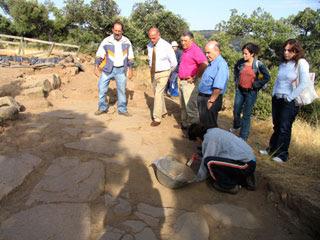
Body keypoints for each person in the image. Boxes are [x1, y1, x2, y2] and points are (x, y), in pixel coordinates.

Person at [260, 39, 309, 163]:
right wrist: (273, 94)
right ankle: (272, 149)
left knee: (284, 127)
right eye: (285, 50)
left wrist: (290, 97)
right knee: (277, 125)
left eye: (289, 50)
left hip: (290, 101)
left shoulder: (301, 63)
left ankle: (282, 155)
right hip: (277, 98)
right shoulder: (283, 64)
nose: (286, 52)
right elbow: (278, 81)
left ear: (296, 51)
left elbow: (304, 83)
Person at [188, 123, 256, 194]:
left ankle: (229, 186)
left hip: (246, 165)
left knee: (209, 162)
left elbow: (208, 159)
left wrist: (198, 178)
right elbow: (216, 154)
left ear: (197, 138)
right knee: (210, 161)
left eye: (194, 141)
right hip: (248, 160)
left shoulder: (210, 140)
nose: (196, 143)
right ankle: (244, 179)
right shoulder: (212, 131)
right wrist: (201, 157)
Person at [230, 43, 270, 141]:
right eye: (243, 53)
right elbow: (235, 69)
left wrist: (256, 84)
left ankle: (243, 137)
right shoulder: (240, 62)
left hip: (251, 92)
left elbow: (267, 77)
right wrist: (236, 80)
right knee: (236, 110)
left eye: (246, 54)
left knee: (246, 115)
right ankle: (237, 126)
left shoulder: (258, 64)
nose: (244, 55)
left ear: (252, 54)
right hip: (240, 90)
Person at [94, 21, 134, 116]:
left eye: (119, 31)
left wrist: (131, 69)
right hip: (108, 69)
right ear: (112, 30)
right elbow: (99, 54)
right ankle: (102, 107)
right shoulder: (106, 40)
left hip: (121, 70)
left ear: (122, 31)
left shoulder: (126, 41)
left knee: (121, 90)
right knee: (102, 88)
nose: (117, 32)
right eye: (115, 30)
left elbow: (130, 57)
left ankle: (122, 109)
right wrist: (96, 67)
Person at [147, 27, 177, 127]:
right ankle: (163, 111)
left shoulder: (166, 46)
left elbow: (174, 63)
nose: (152, 40)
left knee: (158, 93)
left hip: (164, 72)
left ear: (158, 35)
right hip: (153, 73)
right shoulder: (149, 45)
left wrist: (168, 72)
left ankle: (157, 118)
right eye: (150, 38)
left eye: (154, 38)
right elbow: (150, 59)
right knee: (156, 93)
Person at [178, 31, 208, 129]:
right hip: (182, 81)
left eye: (185, 41)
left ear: (192, 40)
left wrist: (195, 77)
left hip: (189, 83)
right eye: (182, 40)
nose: (183, 43)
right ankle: (185, 124)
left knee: (190, 107)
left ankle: (194, 129)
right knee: (183, 105)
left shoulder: (195, 50)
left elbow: (204, 63)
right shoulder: (186, 50)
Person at [197, 41, 229, 128]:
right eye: (205, 53)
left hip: (210, 98)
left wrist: (211, 101)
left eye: (208, 52)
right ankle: (203, 140)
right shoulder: (212, 63)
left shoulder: (221, 64)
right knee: (204, 122)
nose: (206, 55)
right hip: (204, 97)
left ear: (217, 51)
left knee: (210, 124)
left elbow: (218, 86)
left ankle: (211, 141)